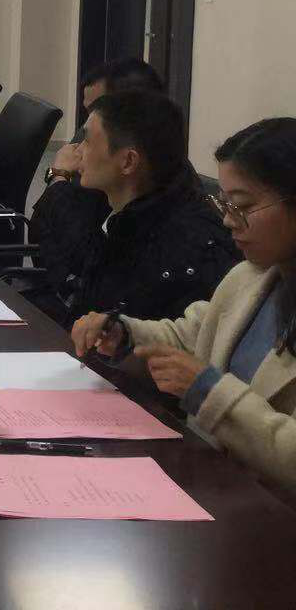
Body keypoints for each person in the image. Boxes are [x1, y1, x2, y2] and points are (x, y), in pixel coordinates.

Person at [72, 117, 296, 506]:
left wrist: (210, 392)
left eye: (243, 206)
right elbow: (194, 335)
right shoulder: (252, 275)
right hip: (208, 484)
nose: (228, 220)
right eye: (224, 204)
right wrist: (125, 333)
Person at [57, 89, 236, 324]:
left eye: (87, 141)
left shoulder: (182, 247)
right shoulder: (128, 215)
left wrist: (57, 176)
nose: (77, 150)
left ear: (128, 161)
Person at [30, 57, 167, 296]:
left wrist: (59, 178)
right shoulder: (99, 156)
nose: (87, 123)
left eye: (96, 111)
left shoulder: (142, 181)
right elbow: (40, 233)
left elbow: (83, 265)